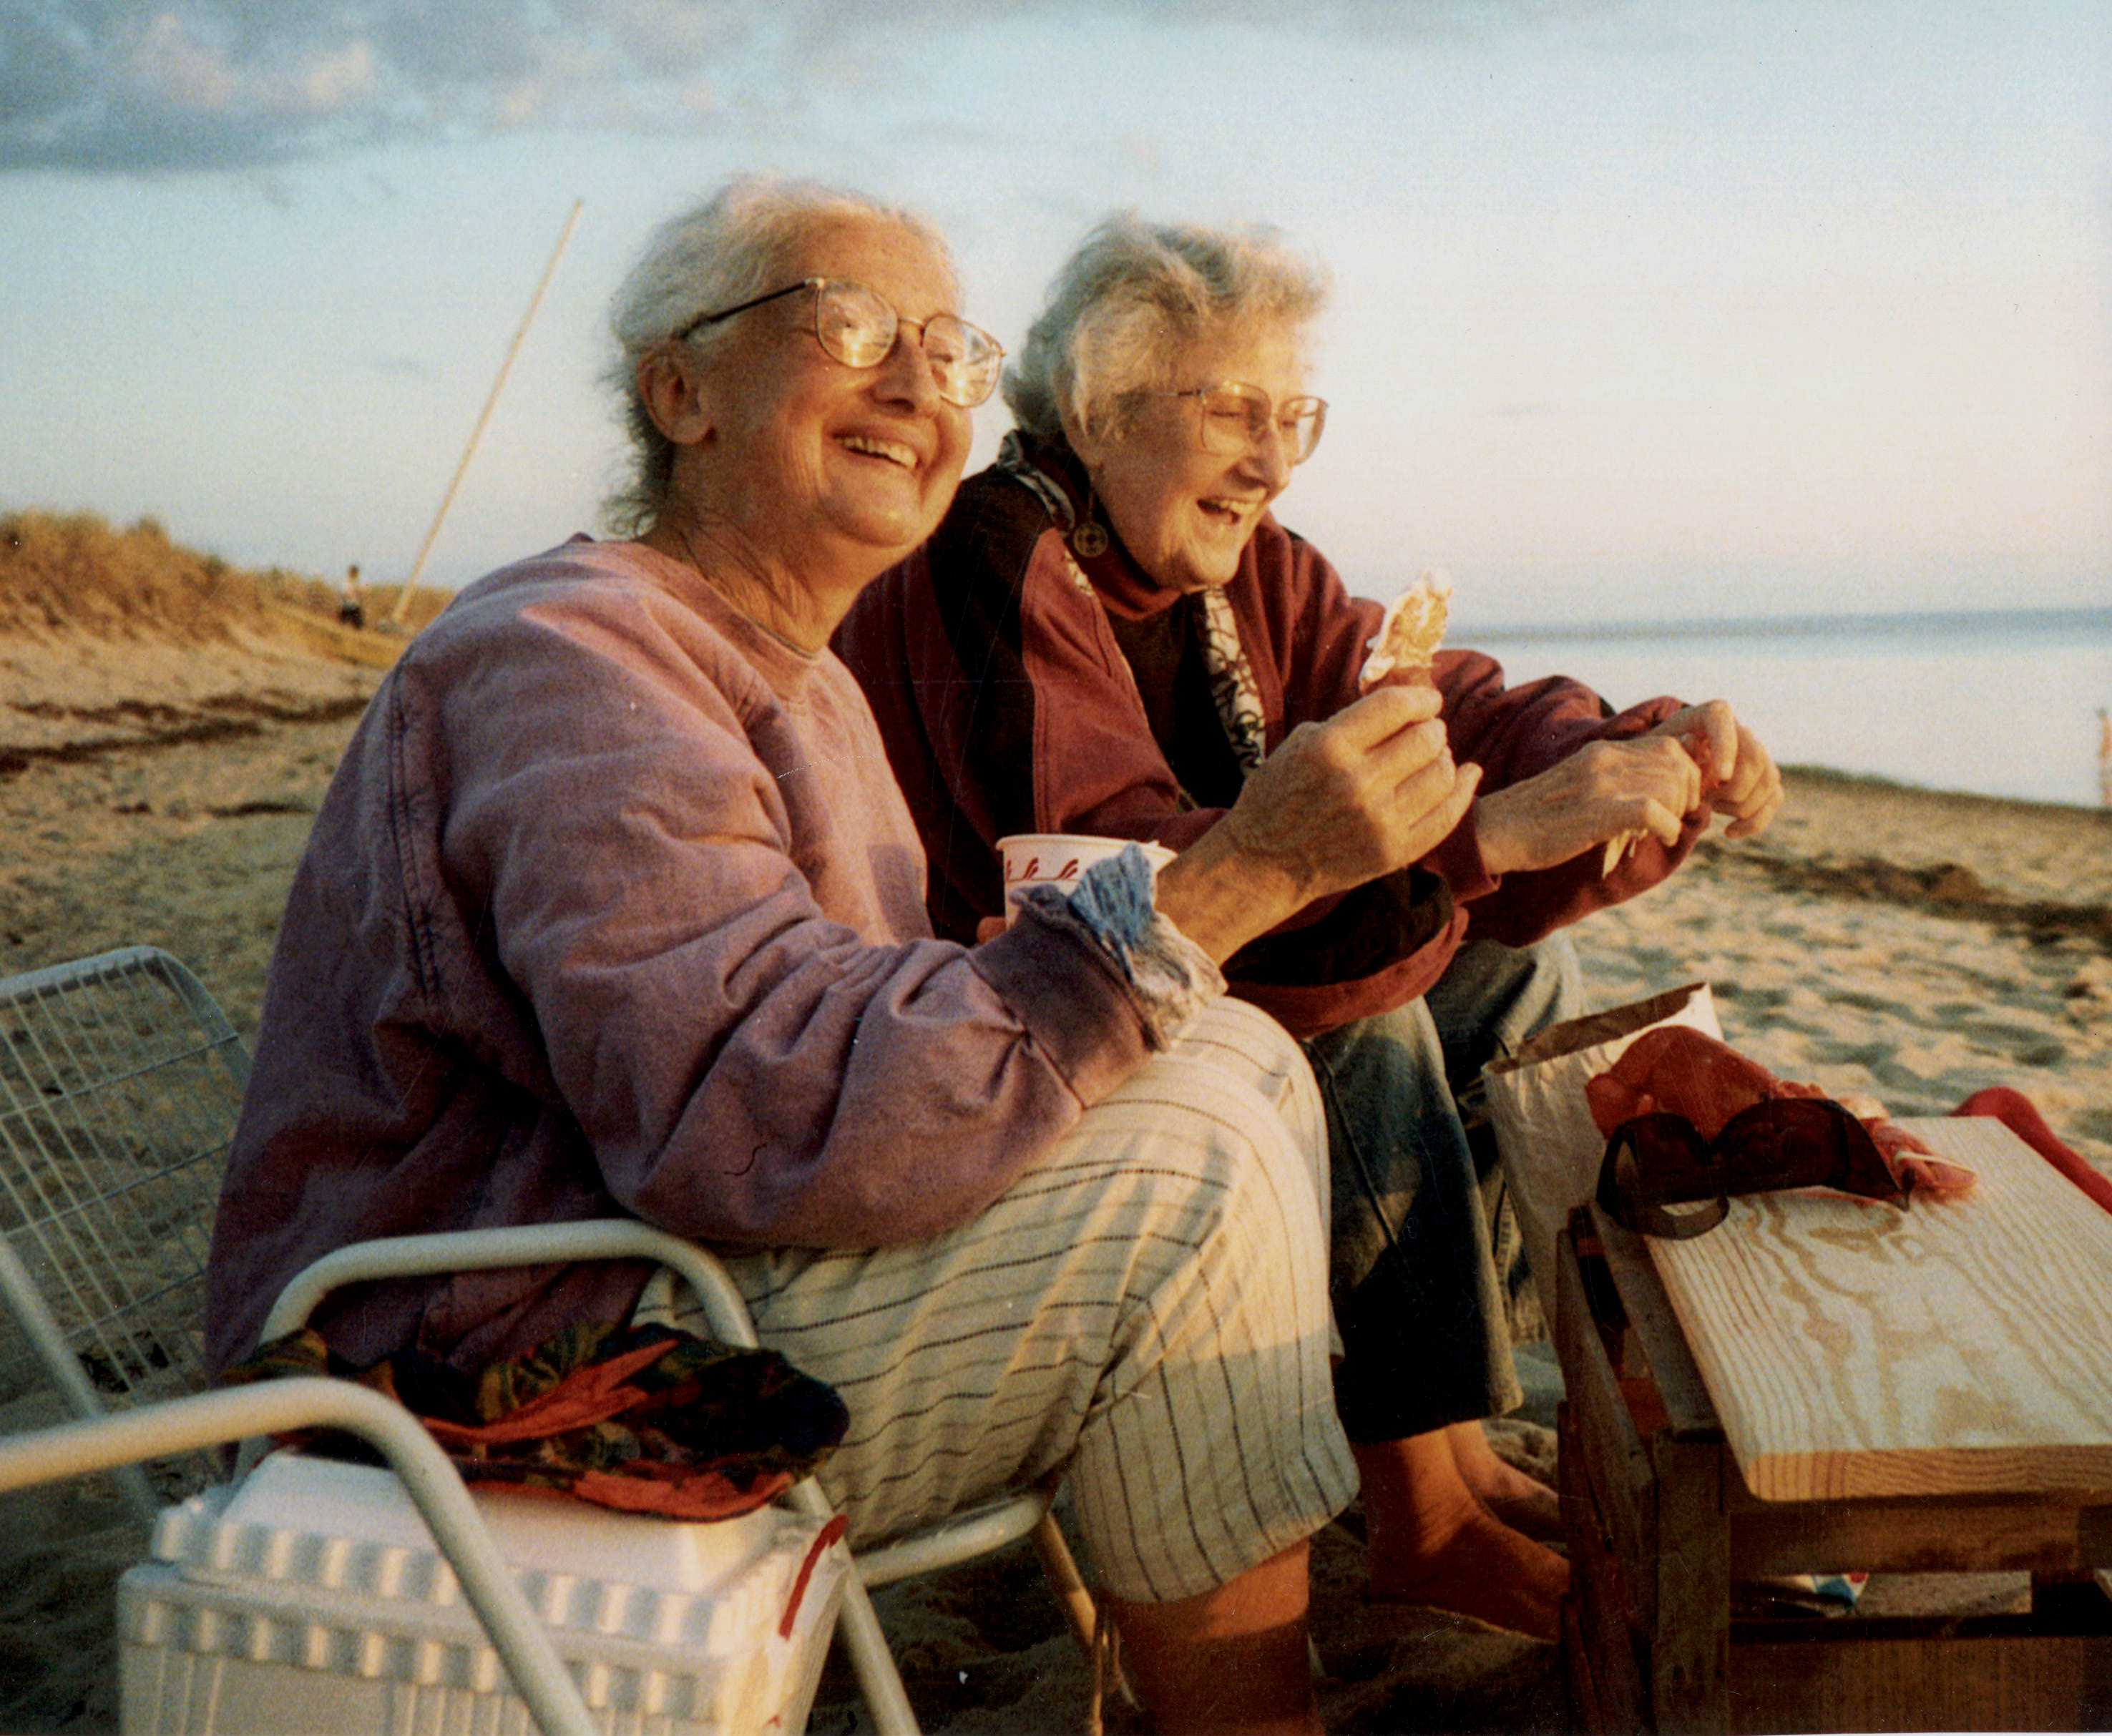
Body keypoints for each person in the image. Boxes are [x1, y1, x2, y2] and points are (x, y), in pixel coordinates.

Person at [204, 180, 1485, 1735]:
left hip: (659, 1264)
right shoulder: (569, 658)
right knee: (1191, 1173)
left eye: (949, 352)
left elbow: (836, 1040)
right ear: (680, 390)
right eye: (850, 326)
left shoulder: (796, 681)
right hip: (486, 1369)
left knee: (1234, 1060)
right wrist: (1238, 878)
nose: (916, 387)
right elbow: (753, 1106)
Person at [836, 212, 1785, 1641]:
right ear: (1099, 408)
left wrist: (1630, 749)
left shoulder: (1257, 574)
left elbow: (1432, 698)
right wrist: (1488, 836)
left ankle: (1449, 1434)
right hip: (1013, 1060)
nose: (1273, 460)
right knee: (1364, 1024)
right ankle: (1423, 1510)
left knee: (1522, 978)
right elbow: (1126, 881)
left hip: (1172, 1006)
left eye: (1296, 417)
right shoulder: (995, 560)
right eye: (1231, 410)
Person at [338, 562, 366, 629]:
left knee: (359, 626)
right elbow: (345, 594)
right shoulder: (345, 583)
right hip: (346, 606)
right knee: (342, 625)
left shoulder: (358, 583)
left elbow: (364, 592)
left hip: (355, 606)